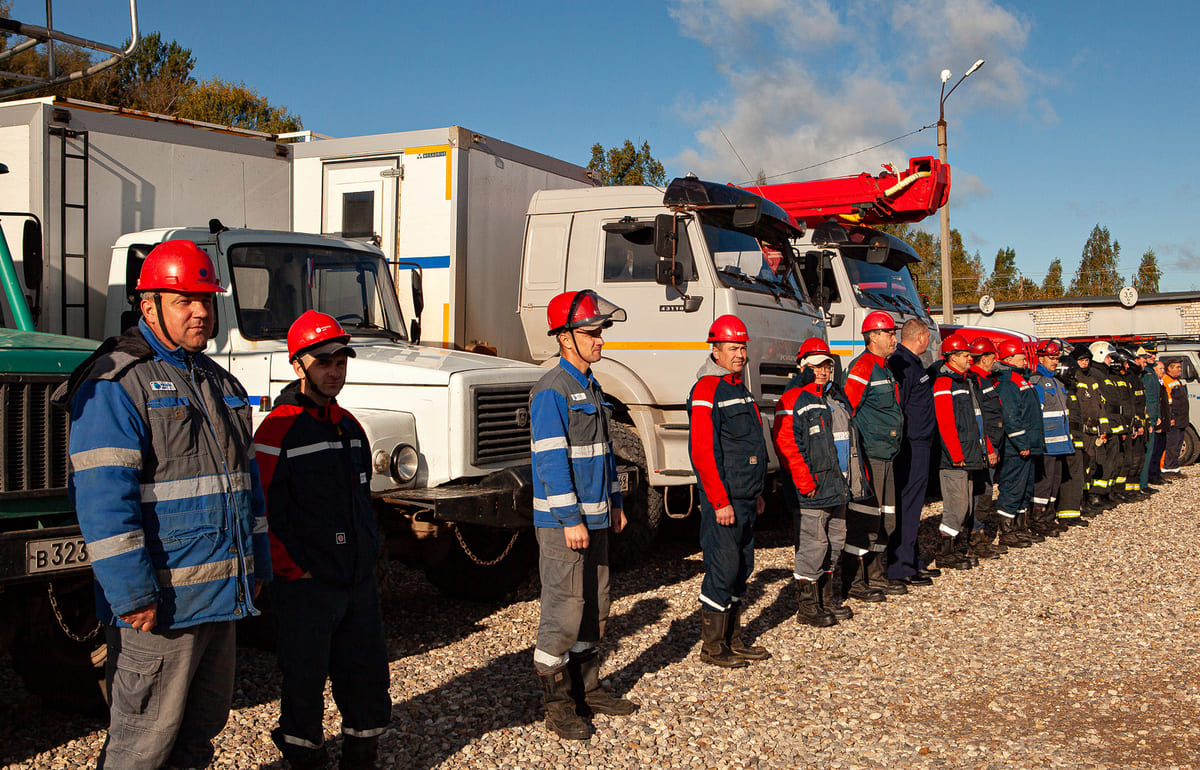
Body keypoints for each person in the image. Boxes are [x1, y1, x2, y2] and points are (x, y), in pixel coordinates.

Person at [58, 240, 271, 769]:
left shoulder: (219, 384)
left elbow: (248, 487)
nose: (201, 312)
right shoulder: (117, 383)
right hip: (159, 609)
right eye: (183, 301)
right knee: (141, 748)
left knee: (198, 740)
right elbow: (106, 502)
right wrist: (132, 596)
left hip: (219, 602)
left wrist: (258, 563)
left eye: (206, 299)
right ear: (147, 306)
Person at [253, 311, 391, 769]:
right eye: (324, 362)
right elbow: (262, 512)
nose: (334, 371)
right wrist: (295, 569)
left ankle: (361, 757)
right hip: (307, 588)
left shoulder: (349, 426)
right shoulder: (276, 430)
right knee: (304, 684)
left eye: (341, 361)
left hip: (356, 582)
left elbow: (362, 500)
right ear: (298, 366)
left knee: (367, 679)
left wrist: (367, 555)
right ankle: (305, 759)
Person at [530, 289, 636, 740]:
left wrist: (615, 503)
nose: (599, 340)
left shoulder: (590, 386)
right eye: (591, 332)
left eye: (600, 332)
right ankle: (557, 704)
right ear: (565, 338)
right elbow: (551, 463)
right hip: (564, 525)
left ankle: (587, 689)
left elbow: (605, 454)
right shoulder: (551, 391)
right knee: (564, 610)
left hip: (596, 519)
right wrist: (571, 518)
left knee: (596, 605)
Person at [688, 314, 770, 666]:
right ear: (715, 350)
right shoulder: (707, 389)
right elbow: (704, 452)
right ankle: (713, 647)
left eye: (743, 347)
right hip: (725, 499)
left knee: (742, 567)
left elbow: (750, 444)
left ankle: (734, 639)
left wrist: (758, 491)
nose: (740, 353)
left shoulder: (738, 387)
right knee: (723, 567)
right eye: (733, 347)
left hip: (746, 496)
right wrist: (719, 501)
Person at [773, 337, 870, 626]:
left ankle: (826, 599)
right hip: (813, 490)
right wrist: (806, 484)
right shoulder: (792, 400)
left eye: (827, 365)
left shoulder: (836, 398)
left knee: (835, 541)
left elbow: (850, 444)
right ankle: (807, 606)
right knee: (813, 546)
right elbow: (786, 444)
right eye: (816, 366)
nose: (823, 371)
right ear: (803, 367)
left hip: (838, 487)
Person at [839, 310, 904, 602]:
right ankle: (855, 580)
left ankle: (878, 576)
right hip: (871, 456)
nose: (894, 338)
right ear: (873, 336)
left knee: (886, 519)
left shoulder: (884, 367)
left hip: (887, 454)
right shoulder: (863, 367)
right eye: (889, 333)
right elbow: (846, 411)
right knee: (866, 519)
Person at [930, 334, 993, 569]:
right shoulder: (944, 383)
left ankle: (955, 548)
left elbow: (977, 419)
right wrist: (956, 455)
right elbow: (945, 423)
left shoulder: (966, 381)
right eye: (966, 355)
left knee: (965, 504)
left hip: (968, 455)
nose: (970, 358)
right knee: (955, 507)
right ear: (953, 357)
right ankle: (944, 553)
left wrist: (985, 447)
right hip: (955, 459)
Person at [886, 319, 939, 585]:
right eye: (928, 336)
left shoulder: (914, 363)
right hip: (910, 444)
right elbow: (900, 405)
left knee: (915, 506)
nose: (929, 341)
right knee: (906, 506)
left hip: (921, 443)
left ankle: (912, 559)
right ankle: (901, 567)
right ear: (920, 336)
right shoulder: (902, 364)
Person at [993, 340, 1046, 544]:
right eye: (1020, 356)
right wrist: (1021, 443)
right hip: (1017, 447)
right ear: (1008, 358)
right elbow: (1011, 416)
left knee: (1026, 487)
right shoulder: (1007, 382)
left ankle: (1020, 526)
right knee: (1013, 486)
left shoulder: (1020, 379)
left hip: (1028, 445)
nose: (1025, 358)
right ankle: (1006, 531)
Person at [968, 337, 1018, 550]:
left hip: (993, 444)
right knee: (982, 492)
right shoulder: (976, 381)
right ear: (983, 359)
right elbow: (980, 418)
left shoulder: (986, 379)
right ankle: (974, 536)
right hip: (985, 446)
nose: (994, 360)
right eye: (991, 356)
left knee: (986, 491)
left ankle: (980, 534)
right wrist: (988, 446)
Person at [1028, 341, 1073, 535]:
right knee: (1043, 484)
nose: (1055, 362)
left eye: (1056, 358)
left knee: (1055, 482)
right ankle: (1038, 518)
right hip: (1046, 444)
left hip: (1060, 443)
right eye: (1051, 358)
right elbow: (1035, 415)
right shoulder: (1037, 382)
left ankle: (1049, 516)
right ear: (1040, 358)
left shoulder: (1057, 382)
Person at [1162, 357, 1188, 478]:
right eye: (1177, 367)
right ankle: (1167, 469)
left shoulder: (1177, 380)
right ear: (1169, 368)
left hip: (1181, 419)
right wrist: (1170, 418)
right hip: (1173, 419)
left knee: (1178, 444)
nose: (1180, 369)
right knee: (1171, 445)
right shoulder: (1166, 381)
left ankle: (1175, 468)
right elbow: (1167, 403)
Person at [1147, 357, 1169, 486]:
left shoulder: (1161, 383)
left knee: (1160, 448)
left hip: (1163, 420)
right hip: (1157, 421)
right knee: (1154, 450)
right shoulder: (1153, 384)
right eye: (1159, 368)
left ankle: (1157, 473)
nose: (1162, 371)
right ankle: (1152, 475)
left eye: (1163, 369)